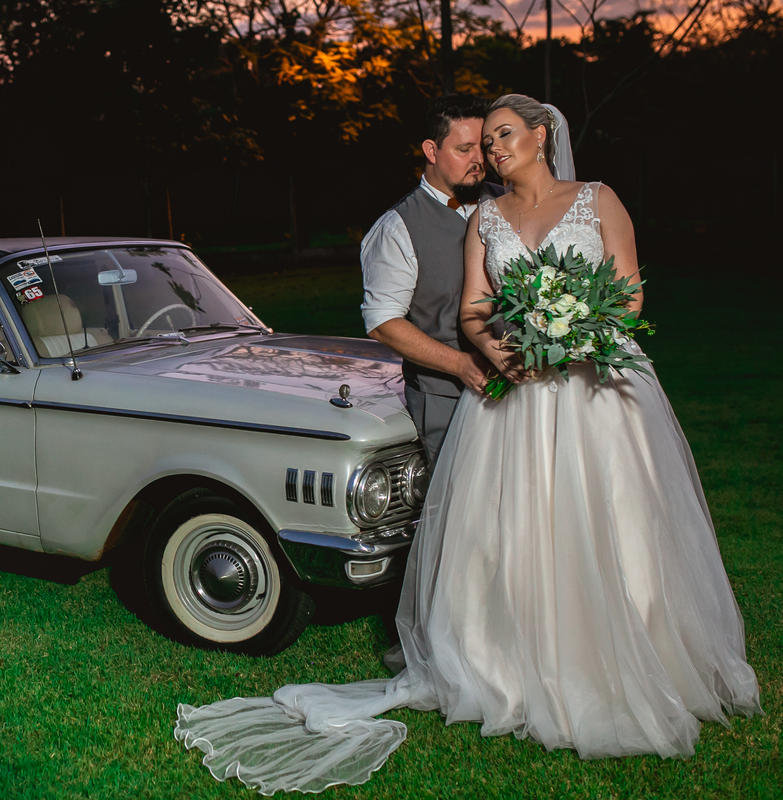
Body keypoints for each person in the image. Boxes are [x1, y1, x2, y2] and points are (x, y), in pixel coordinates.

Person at [174, 95, 761, 795]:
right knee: (506, 530)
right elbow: (443, 313)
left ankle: (635, 648)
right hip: (506, 395)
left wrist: (574, 337)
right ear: (432, 152)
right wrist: (492, 352)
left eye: (499, 139)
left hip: (596, 390)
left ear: (542, 136)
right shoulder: (439, 222)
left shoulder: (593, 199)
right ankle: (515, 660)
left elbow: (628, 293)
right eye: (475, 145)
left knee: (618, 512)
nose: (488, 154)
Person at [361, 93, 501, 464]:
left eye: (483, 147)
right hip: (447, 400)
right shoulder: (397, 227)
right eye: (464, 149)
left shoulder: (511, 204)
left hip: (525, 389)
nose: (479, 160)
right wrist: (461, 365)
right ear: (431, 150)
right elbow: (383, 322)